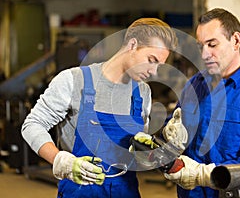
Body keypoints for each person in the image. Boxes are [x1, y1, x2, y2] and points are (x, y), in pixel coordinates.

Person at [21, 17, 177, 198]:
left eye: (159, 65)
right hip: (80, 192)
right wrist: (60, 160)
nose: (154, 72)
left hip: (125, 192)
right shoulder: (73, 80)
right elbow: (32, 124)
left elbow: (134, 151)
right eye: (151, 60)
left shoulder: (143, 93)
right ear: (133, 45)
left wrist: (148, 152)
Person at [163, 8, 240, 198]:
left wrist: (203, 176)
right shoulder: (194, 85)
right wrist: (170, 134)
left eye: (212, 44)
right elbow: (175, 131)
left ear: (235, 41)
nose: (204, 55)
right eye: (200, 47)